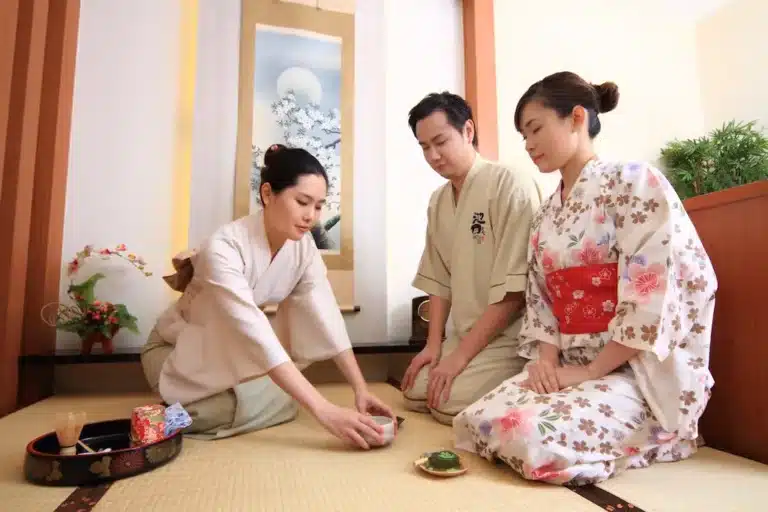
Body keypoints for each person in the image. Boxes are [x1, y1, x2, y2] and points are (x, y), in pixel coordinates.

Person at [453, 71, 718, 486]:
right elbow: (541, 298)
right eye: (523, 135)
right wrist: (545, 360)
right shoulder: (546, 214)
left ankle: (658, 435)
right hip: (569, 367)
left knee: (528, 433)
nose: (528, 145)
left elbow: (655, 290)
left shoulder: (636, 182)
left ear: (576, 117)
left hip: (633, 370)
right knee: (478, 419)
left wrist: (594, 370)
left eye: (535, 129)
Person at [141, 144, 396, 449]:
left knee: (289, 395)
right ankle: (159, 419)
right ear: (266, 194)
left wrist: (360, 389)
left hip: (227, 350)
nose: (311, 217)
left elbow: (326, 314)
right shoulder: (222, 248)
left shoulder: (302, 247)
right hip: (177, 347)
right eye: (302, 202)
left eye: (318, 206)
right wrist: (324, 411)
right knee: (229, 408)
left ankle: (240, 403)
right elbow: (254, 331)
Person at [400, 91, 545, 425]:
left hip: (511, 338)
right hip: (464, 336)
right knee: (415, 393)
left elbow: (515, 290)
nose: (433, 156)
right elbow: (438, 278)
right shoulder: (438, 201)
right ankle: (462, 368)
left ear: (467, 131)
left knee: (447, 405)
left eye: (440, 142)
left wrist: (460, 358)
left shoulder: (511, 184)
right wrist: (433, 346)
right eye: (424, 148)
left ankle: (526, 381)